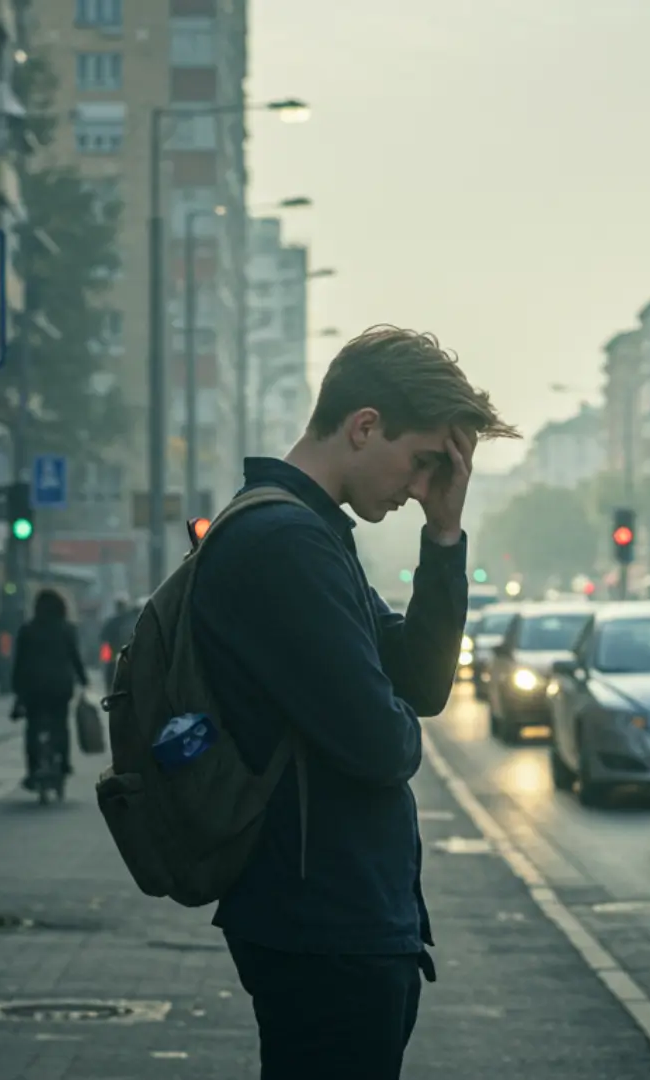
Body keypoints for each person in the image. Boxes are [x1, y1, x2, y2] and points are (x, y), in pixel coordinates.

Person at [192, 326, 517, 1078]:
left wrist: (444, 534)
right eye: (423, 463)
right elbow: (384, 742)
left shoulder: (311, 535)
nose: (418, 487)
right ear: (365, 426)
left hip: (334, 919)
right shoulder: (284, 544)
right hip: (324, 925)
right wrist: (385, 709)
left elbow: (422, 684)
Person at [11, 588, 88, 785]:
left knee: (33, 727)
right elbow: (75, 658)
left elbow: (19, 663)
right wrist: (83, 679)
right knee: (60, 723)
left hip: (33, 687)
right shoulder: (67, 629)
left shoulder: (27, 630)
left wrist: (17, 690)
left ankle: (33, 768)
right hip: (60, 686)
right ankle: (63, 763)